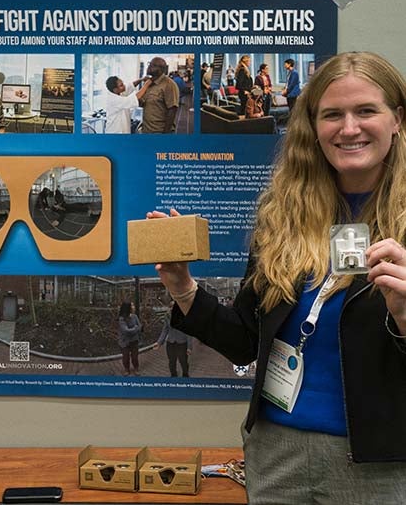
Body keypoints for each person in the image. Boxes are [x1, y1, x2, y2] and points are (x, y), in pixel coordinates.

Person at [148, 52, 406, 502]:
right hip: (275, 452)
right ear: (314, 126)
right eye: (332, 115)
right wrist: (184, 288)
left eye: (366, 110)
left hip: (379, 462)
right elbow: (247, 342)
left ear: (397, 119)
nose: (349, 128)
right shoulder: (283, 219)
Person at [139, 57, 179, 133]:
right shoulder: (148, 83)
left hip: (159, 131)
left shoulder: (169, 85)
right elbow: (144, 102)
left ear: (161, 69)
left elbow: (172, 110)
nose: (149, 67)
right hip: (146, 129)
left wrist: (165, 134)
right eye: (149, 64)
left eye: (152, 65)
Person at [154, 304, 192, 377]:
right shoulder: (167, 316)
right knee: (171, 362)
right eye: (172, 308)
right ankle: (173, 376)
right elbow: (165, 330)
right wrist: (159, 342)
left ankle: (185, 375)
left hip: (182, 343)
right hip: (171, 343)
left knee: (183, 362)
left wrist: (189, 347)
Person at [117, 301, 141, 376]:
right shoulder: (122, 319)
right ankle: (126, 369)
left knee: (135, 356)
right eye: (132, 305)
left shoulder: (135, 316)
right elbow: (126, 331)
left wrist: (135, 328)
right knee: (126, 357)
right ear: (128, 308)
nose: (133, 307)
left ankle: (136, 368)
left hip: (134, 340)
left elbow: (140, 326)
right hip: (125, 341)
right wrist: (135, 328)